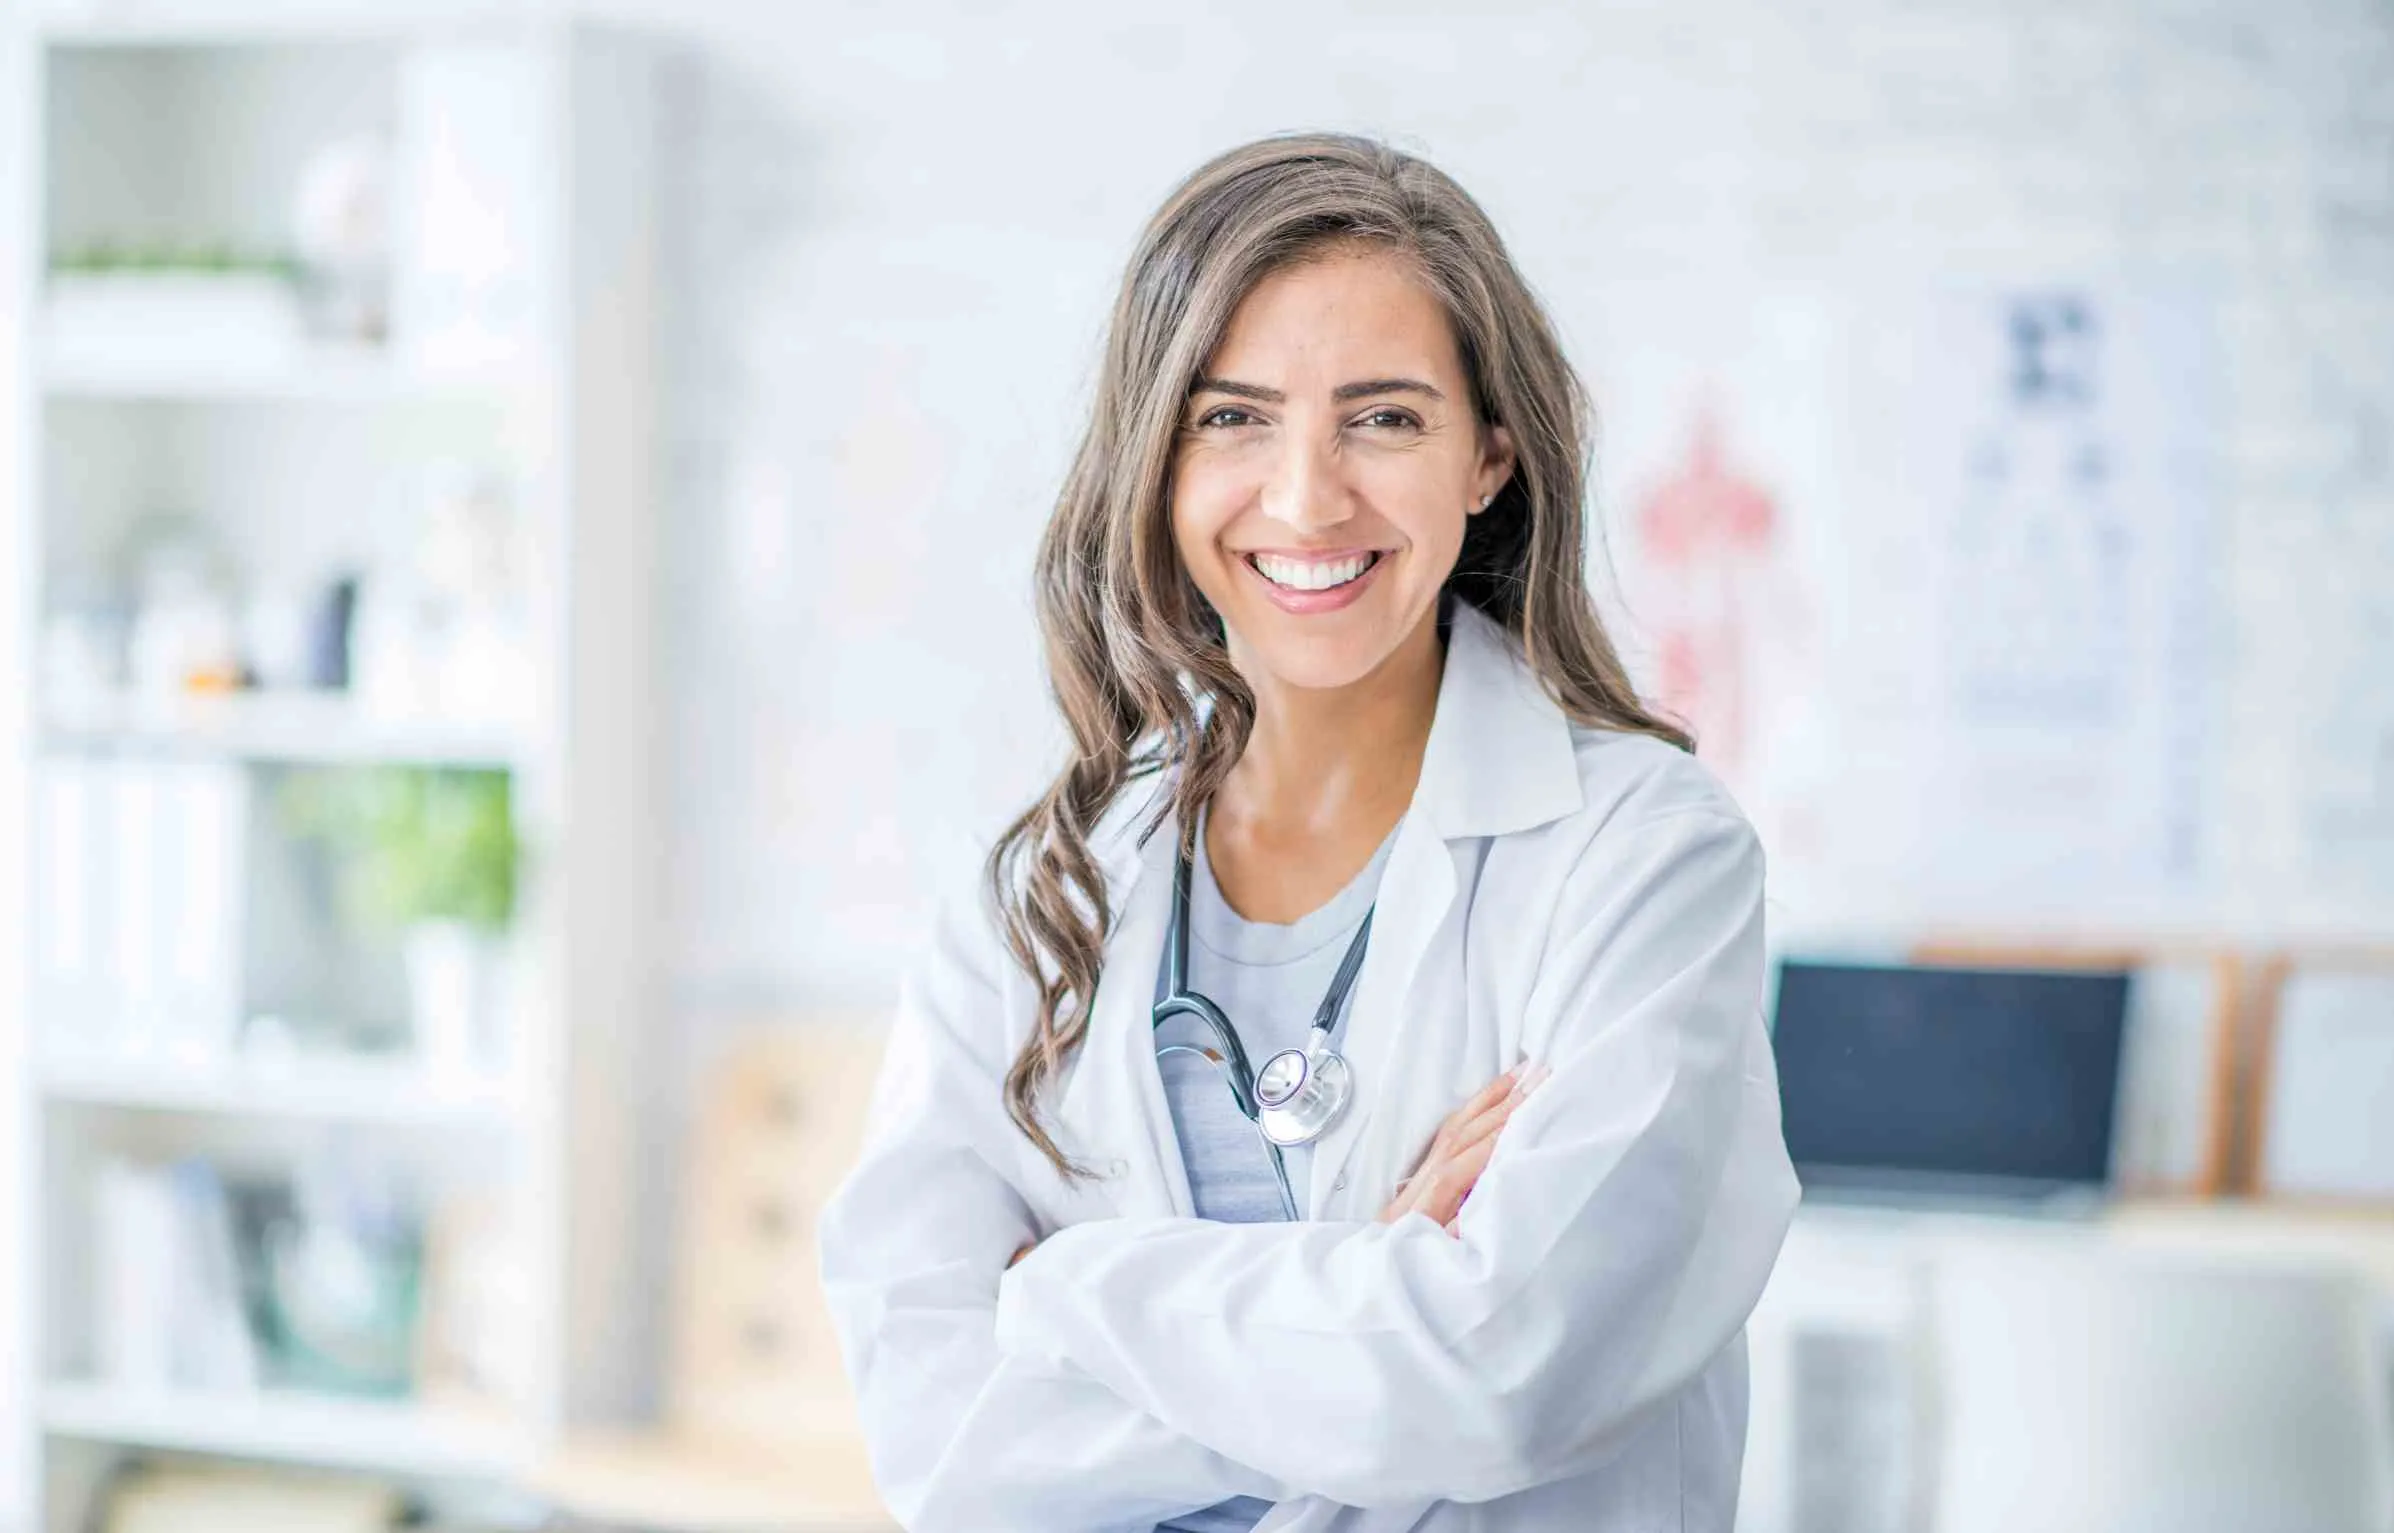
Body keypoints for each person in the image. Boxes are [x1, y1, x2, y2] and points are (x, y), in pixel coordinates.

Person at [818, 132, 1798, 1532]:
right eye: (1232, 419)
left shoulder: (1645, 860)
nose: (1303, 496)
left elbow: (1494, 1379)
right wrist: (1365, 1296)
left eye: (1384, 419)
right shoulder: (1043, 884)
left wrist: (1062, 1291)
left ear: (1488, 459)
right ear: (1153, 461)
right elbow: (943, 1451)